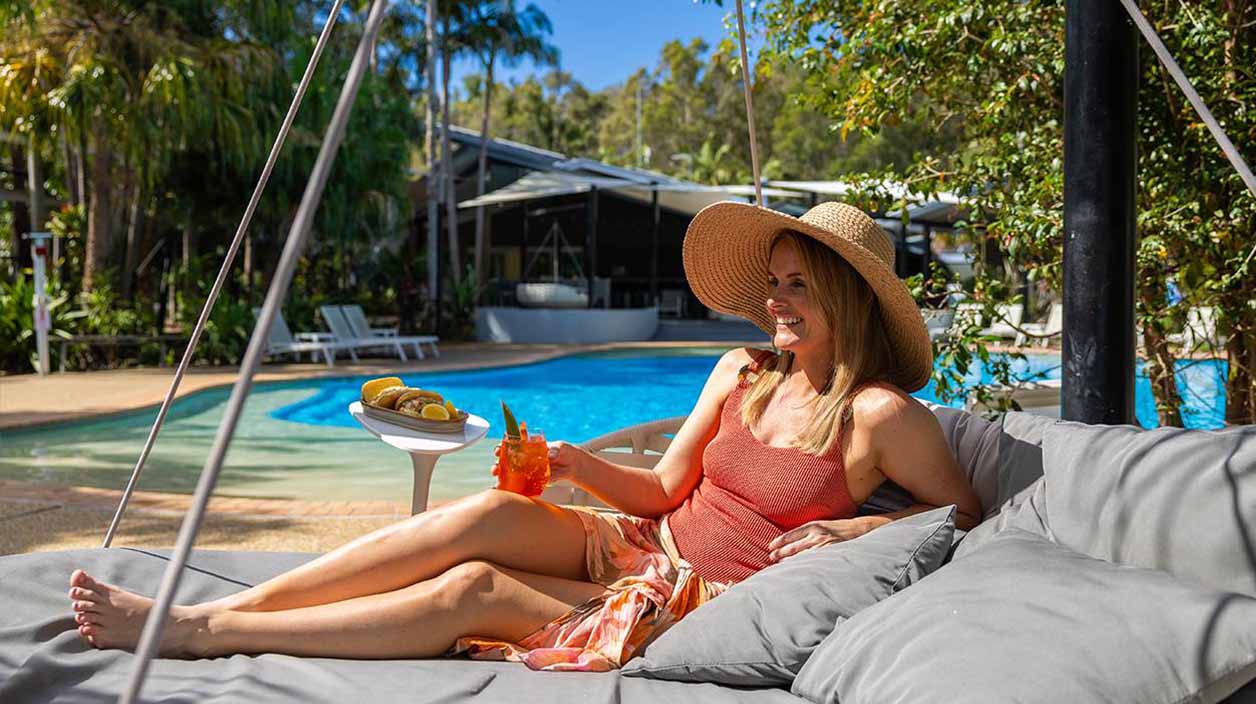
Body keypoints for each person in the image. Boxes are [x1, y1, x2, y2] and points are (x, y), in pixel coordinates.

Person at [66, 201, 982, 671]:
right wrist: (577, 463)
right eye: (774, 281)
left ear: (849, 300)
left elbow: (963, 516)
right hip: (643, 547)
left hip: (692, 607)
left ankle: (206, 632)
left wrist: (858, 528)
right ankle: (241, 613)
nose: (773, 300)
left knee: (469, 588)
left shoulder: (878, 418)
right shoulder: (741, 373)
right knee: (491, 510)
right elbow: (665, 489)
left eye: (797, 287)